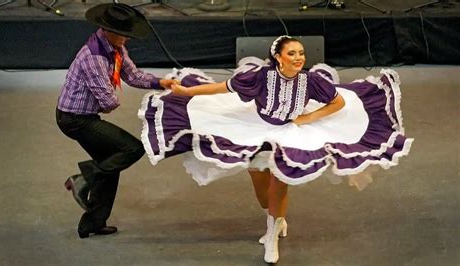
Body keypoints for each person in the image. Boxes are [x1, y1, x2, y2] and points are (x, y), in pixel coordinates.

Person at [138, 36, 414, 263]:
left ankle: (271, 234)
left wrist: (306, 118)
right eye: (292, 53)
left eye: (301, 53)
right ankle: (277, 218)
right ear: (279, 57)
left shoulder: (311, 81)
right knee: (262, 189)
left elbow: (338, 103)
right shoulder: (260, 77)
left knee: (280, 181)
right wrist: (187, 93)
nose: (298, 57)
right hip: (256, 127)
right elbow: (223, 88)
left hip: (291, 132)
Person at [56, 3, 178, 239]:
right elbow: (108, 100)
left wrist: (160, 83)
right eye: (125, 34)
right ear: (107, 30)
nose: (128, 39)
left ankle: (91, 223)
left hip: (86, 116)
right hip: (74, 120)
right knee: (131, 148)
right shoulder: (95, 58)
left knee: (111, 162)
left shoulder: (114, 48)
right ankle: (83, 179)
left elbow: (132, 75)